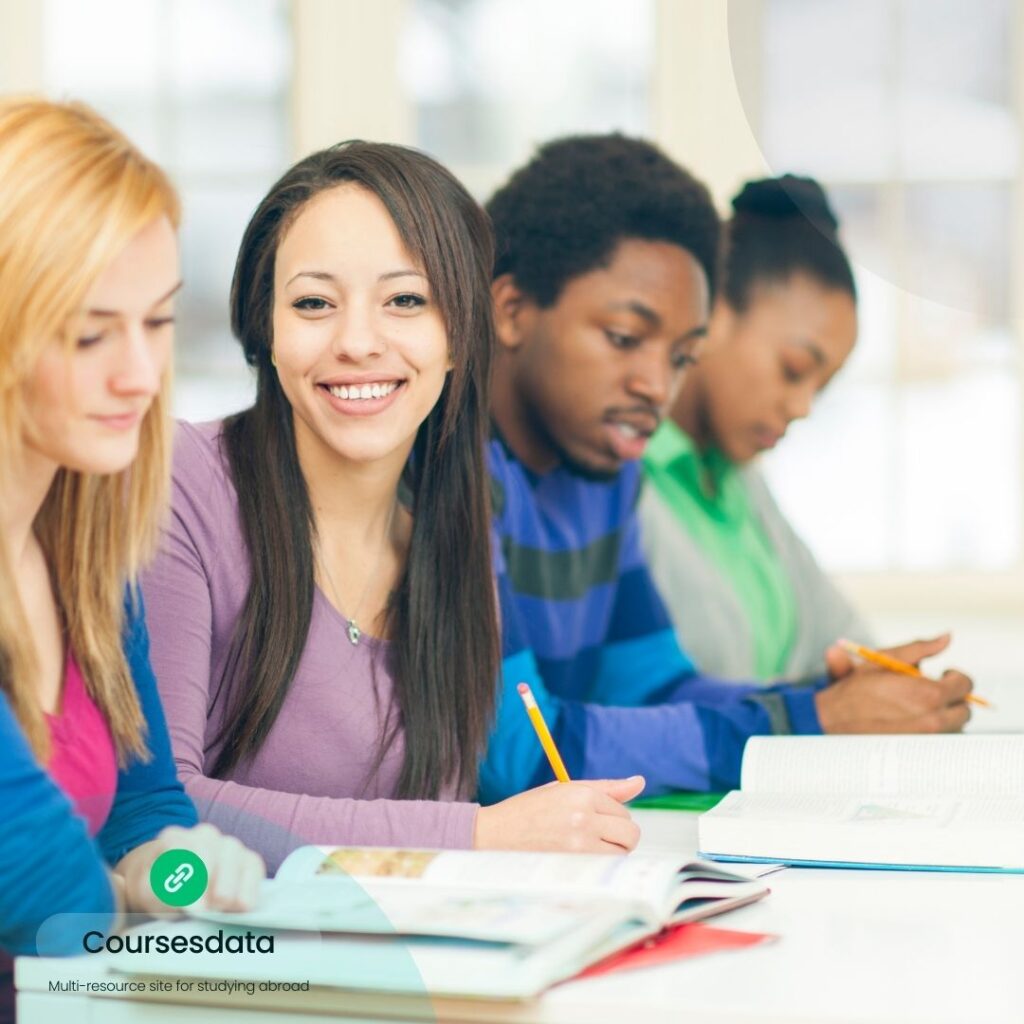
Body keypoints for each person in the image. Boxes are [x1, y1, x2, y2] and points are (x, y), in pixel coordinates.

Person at [141, 140, 643, 874]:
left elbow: (423, 865)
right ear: (267, 331)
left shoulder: (455, 545)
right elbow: (163, 810)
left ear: (456, 336)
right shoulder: (182, 486)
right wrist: (479, 835)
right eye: (313, 303)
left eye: (405, 300)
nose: (356, 342)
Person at [477, 134, 973, 804]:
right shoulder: (453, 475)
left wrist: (824, 703)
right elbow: (517, 754)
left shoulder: (606, 474)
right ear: (511, 311)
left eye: (682, 356)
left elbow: (652, 686)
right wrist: (810, 723)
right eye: (625, 338)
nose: (657, 385)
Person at [0, 98, 264, 1020]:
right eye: (89, 332)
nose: (141, 376)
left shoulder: (88, 553)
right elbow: (48, 898)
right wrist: (121, 900)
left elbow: (141, 813)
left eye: (156, 323)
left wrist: (184, 872)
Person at [640, 174, 873, 682]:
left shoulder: (737, 480)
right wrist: (816, 708)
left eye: (821, 387)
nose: (803, 407)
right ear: (712, 314)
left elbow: (843, 635)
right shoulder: (620, 479)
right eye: (793, 369)